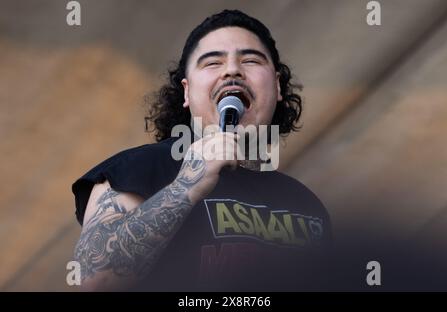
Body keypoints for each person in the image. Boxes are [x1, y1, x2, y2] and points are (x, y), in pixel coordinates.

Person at [72, 9, 332, 291]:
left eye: (251, 60)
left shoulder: (304, 203)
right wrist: (187, 186)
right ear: (186, 92)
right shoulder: (140, 169)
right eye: (212, 62)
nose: (232, 70)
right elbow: (97, 281)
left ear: (278, 87)